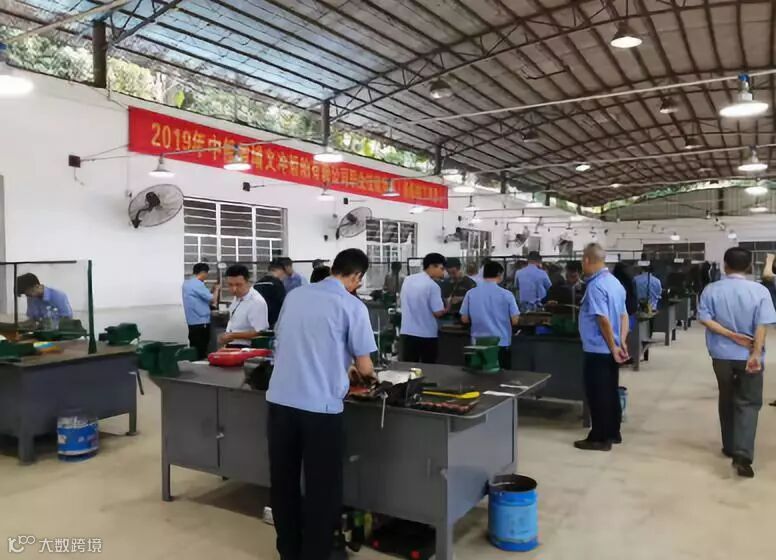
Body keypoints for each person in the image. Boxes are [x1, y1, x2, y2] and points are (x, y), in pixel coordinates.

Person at [266, 249, 376, 560]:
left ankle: (289, 550)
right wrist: (367, 375)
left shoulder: (296, 296)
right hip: (320, 410)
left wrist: (340, 365)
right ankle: (316, 553)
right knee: (322, 487)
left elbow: (292, 342)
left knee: (284, 482)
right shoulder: (352, 305)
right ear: (356, 276)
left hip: (280, 402)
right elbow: (366, 367)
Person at [698, 247, 776, 478]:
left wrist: (731, 336)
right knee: (748, 403)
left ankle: (729, 445)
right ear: (750, 266)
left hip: (721, 356)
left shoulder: (711, 289)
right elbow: (762, 325)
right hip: (749, 356)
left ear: (725, 265)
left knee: (727, 397)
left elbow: (705, 319)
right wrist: (755, 353)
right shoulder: (760, 291)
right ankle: (742, 454)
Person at [575, 244, 629, 452]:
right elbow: (624, 316)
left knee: (598, 395)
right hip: (611, 349)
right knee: (610, 391)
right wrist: (621, 342)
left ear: (587, 260)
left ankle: (599, 438)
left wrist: (613, 346)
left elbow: (602, 319)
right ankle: (613, 433)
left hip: (598, 349)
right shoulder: (615, 283)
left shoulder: (596, 286)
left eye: (582, 260)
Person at [460, 261, 520, 368]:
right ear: (499, 274)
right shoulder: (507, 295)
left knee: (478, 374)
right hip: (500, 343)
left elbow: (464, 319)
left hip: (477, 343)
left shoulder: (470, 293)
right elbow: (515, 320)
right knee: (501, 375)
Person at [399, 253, 449, 363]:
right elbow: (438, 312)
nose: (443, 272)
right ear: (432, 266)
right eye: (441, 268)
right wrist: (448, 305)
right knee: (428, 369)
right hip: (427, 335)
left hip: (407, 333)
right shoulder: (433, 286)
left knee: (409, 368)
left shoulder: (408, 280)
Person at [218, 265, 269, 347]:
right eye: (230, 285)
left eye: (238, 285)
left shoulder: (256, 301)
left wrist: (233, 335)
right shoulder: (237, 298)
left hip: (247, 348)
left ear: (248, 282)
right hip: (232, 345)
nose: (234, 289)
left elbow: (260, 332)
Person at [182, 263, 220, 360]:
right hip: (201, 322)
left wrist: (211, 291)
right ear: (203, 272)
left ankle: (194, 365)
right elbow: (212, 299)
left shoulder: (187, 283)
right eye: (206, 274)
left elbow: (201, 298)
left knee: (194, 348)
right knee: (201, 350)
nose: (206, 276)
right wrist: (216, 289)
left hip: (192, 322)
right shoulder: (197, 284)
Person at [253, 260, 287, 328]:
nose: (284, 276)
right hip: (274, 323)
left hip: (258, 322)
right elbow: (284, 303)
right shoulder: (277, 284)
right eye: (283, 273)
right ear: (278, 270)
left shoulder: (257, 284)